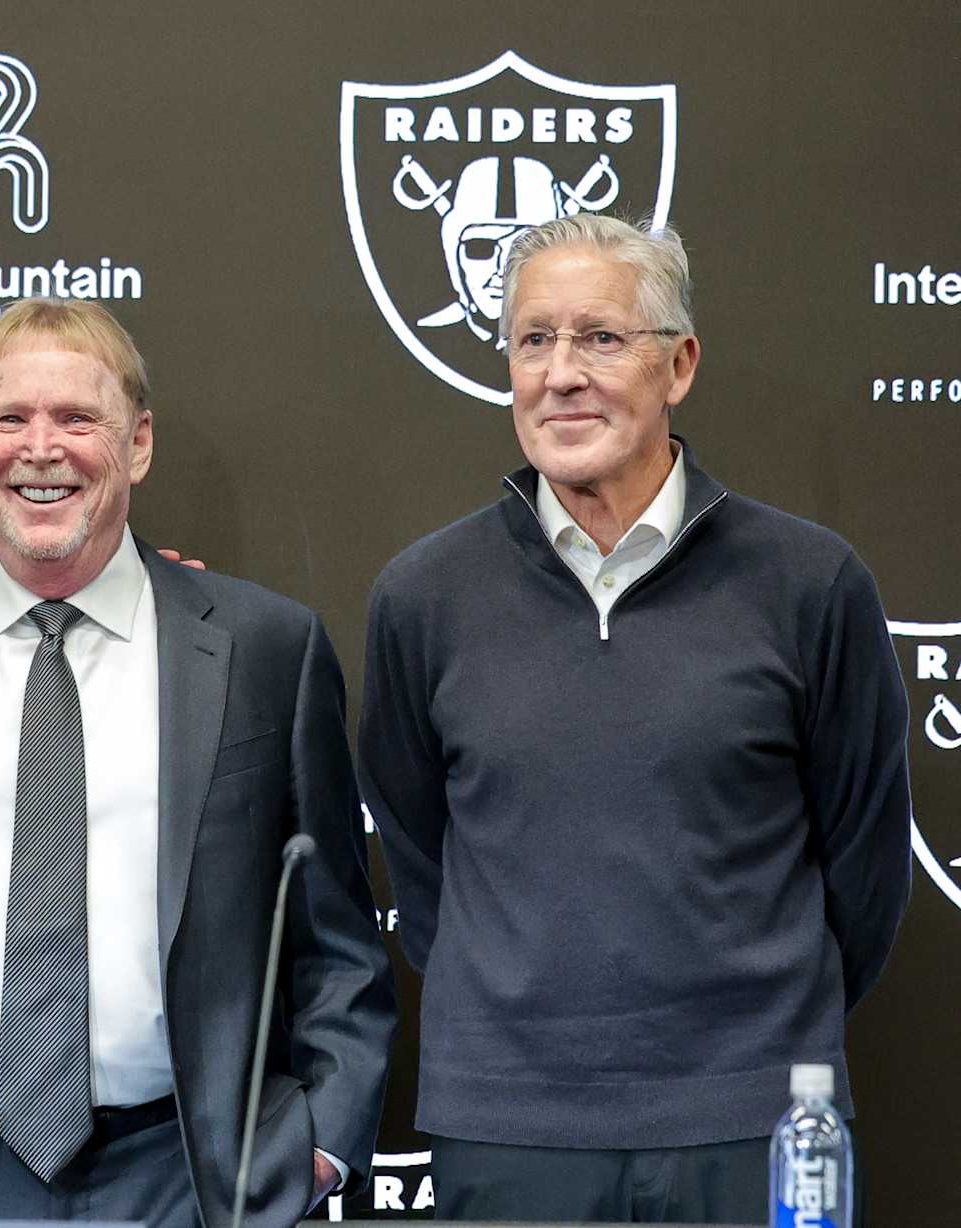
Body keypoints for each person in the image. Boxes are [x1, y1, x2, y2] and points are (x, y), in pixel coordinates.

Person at [0, 297, 395, 1228]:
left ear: (135, 445)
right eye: (10, 419)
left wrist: (319, 1145)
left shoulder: (264, 649)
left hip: (193, 1179)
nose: (40, 448)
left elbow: (336, 938)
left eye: (77, 419)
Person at [359, 214, 911, 1223]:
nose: (561, 372)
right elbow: (418, 849)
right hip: (510, 1130)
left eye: (601, 338)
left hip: (754, 1122)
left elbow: (865, 870)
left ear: (681, 363)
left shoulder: (811, 581)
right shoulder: (422, 596)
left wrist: (756, 1021)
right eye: (534, 340)